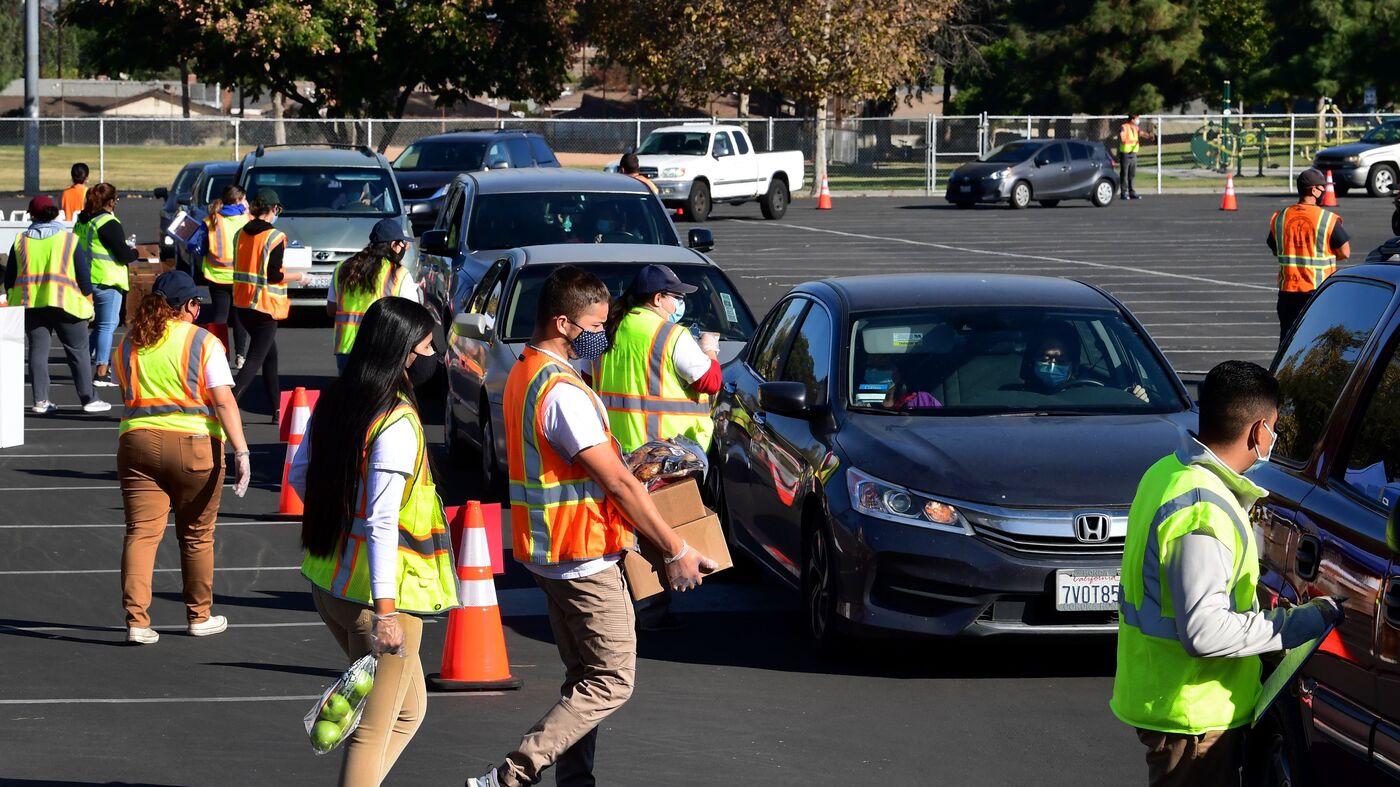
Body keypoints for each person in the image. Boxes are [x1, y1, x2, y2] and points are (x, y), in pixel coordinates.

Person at [467, 266, 716, 787]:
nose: (603, 335)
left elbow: (587, 469)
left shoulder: (527, 371)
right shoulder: (562, 391)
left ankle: (575, 782)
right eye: (595, 325)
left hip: (551, 552)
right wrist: (675, 549)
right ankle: (511, 775)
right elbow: (619, 486)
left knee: (584, 678)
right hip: (581, 557)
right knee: (612, 681)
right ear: (562, 322)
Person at [1111, 360, 1343, 786]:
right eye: (1274, 428)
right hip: (1192, 717)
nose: (1274, 437)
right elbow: (1205, 632)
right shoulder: (1203, 507)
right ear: (1258, 431)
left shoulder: (1166, 473)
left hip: (1177, 704)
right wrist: (1299, 624)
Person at [291, 297, 457, 787]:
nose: (433, 356)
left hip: (333, 585)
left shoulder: (338, 400)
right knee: (371, 729)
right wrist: (386, 612)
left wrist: (343, 519)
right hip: (384, 601)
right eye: (427, 345)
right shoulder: (397, 422)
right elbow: (383, 521)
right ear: (404, 352)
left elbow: (301, 474)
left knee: (409, 710)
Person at [114, 270, 251, 644]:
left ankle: (137, 622)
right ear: (188, 305)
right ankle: (198, 615)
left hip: (137, 442)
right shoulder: (203, 341)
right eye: (196, 304)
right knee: (196, 536)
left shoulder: (129, 343)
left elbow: (125, 388)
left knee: (141, 534)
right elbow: (223, 399)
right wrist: (241, 450)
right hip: (194, 445)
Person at [593, 264, 721, 630]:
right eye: (676, 296)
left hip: (614, 449)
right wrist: (709, 350)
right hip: (661, 453)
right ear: (658, 298)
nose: (679, 303)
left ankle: (628, 603)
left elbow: (590, 378)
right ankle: (651, 606)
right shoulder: (670, 335)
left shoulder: (609, 331)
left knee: (626, 530)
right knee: (660, 528)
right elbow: (710, 381)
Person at [4, 195, 110, 414]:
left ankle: (40, 401)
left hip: (32, 304)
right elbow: (83, 275)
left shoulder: (21, 241)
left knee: (37, 351)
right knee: (78, 352)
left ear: (31, 215)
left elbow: (10, 278)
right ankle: (88, 399)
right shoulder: (68, 240)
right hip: (66, 304)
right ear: (55, 212)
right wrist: (89, 302)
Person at [232, 189, 302, 421]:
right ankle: (227, 404)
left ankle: (276, 409)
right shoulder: (275, 237)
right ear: (274, 209)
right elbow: (274, 275)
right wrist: (299, 276)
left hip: (243, 304)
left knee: (270, 355)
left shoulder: (241, 233)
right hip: (264, 307)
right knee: (254, 361)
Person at [328, 218, 419, 372]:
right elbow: (413, 316)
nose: (404, 248)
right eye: (402, 244)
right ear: (393, 245)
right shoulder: (398, 274)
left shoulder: (342, 268)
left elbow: (331, 309)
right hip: (382, 351)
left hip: (345, 350)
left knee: (350, 396)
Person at [1267, 168, 1350, 337]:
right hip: (1316, 291)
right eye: (1322, 188)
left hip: (1287, 292)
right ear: (1314, 190)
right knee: (1318, 341)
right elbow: (1345, 252)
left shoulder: (1280, 217)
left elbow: (1276, 249)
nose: (1324, 191)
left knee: (1288, 343)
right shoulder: (1326, 219)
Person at [74, 182, 139, 387]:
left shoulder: (82, 221)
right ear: (110, 202)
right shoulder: (108, 223)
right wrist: (134, 252)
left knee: (96, 327)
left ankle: (87, 360)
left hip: (85, 279)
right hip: (107, 280)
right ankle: (101, 371)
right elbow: (123, 255)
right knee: (106, 326)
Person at [187, 184, 252, 368]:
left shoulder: (211, 220)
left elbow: (196, 247)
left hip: (217, 276)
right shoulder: (247, 219)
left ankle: (218, 355)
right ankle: (241, 356)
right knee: (240, 318)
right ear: (239, 200)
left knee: (220, 316)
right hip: (240, 277)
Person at [1012, 321, 1148, 401]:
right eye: (1045, 359)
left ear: (1074, 366)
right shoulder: (1015, 399)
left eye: (1060, 360)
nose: (1052, 366)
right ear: (1032, 361)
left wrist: (1134, 400)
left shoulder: (1092, 398)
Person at [1118, 114, 1153, 200]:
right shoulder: (1124, 127)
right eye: (1137, 119)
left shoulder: (1135, 127)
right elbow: (1122, 138)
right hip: (1125, 153)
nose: (1138, 120)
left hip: (1133, 154)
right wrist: (1131, 141)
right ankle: (1124, 193)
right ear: (1132, 119)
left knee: (1132, 174)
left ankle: (1132, 192)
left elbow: (1141, 133)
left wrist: (1149, 136)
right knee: (1124, 174)